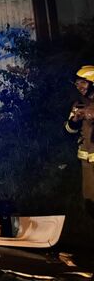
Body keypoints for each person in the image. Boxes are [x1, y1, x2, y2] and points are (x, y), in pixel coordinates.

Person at [65, 65, 94, 217]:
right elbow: (69, 130)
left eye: (83, 83)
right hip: (86, 160)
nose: (79, 87)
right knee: (89, 195)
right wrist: (75, 120)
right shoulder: (78, 104)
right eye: (77, 84)